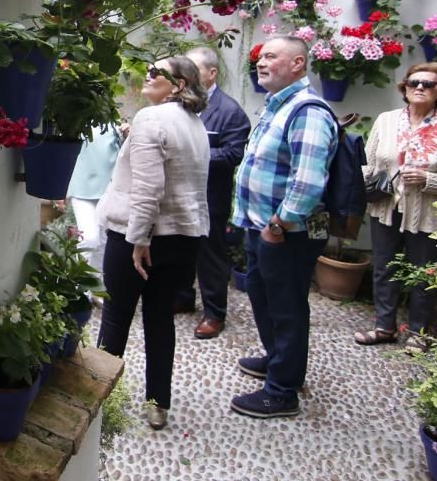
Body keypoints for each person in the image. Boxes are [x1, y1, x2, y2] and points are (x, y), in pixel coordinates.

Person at [96, 56, 210, 431]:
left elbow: (148, 190)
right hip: (183, 238)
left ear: (178, 85)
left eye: (156, 71)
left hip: (141, 238)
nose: (147, 74)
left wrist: (139, 239)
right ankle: (157, 404)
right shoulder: (194, 123)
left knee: (116, 318)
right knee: (160, 319)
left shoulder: (151, 118)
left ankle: (95, 402)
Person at [230, 35, 335, 419]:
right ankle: (279, 362)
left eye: (271, 56)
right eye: (259, 56)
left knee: (286, 308)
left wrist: (278, 225)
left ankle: (282, 391)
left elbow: (307, 181)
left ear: (298, 64)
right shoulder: (279, 106)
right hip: (264, 228)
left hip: (286, 232)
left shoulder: (307, 110)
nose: (260, 61)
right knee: (264, 297)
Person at [354, 62, 437, 350]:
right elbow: (369, 166)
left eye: (428, 84)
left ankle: (419, 333)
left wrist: (429, 179)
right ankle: (384, 327)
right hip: (387, 208)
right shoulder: (385, 121)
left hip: (431, 215)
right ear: (405, 89)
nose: (419, 87)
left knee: (425, 273)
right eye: (413, 83)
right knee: (385, 268)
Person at [173, 46, 251, 338]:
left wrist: (195, 154)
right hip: (178, 193)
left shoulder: (230, 111)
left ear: (211, 73)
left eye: (193, 69)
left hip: (210, 197)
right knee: (180, 248)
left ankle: (214, 313)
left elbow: (232, 155)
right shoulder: (178, 104)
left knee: (211, 255)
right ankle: (182, 297)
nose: (186, 75)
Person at [65, 124, 124, 290]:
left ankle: (97, 286)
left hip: (108, 189)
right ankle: (79, 286)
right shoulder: (78, 120)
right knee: (89, 238)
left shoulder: (113, 122)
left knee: (105, 241)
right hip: (81, 188)